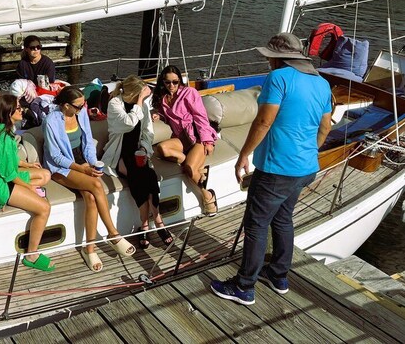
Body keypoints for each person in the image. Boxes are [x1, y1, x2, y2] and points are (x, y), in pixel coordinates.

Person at [211, 33, 332, 306]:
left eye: (269, 58)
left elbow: (264, 122)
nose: (267, 62)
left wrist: (243, 154)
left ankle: (244, 286)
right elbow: (326, 127)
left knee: (256, 224)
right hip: (306, 167)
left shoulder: (278, 79)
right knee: (283, 218)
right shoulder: (322, 84)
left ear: (278, 59)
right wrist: (309, 151)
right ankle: (278, 276)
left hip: (277, 168)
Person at [42, 87, 135, 271]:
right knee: (95, 184)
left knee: (91, 198)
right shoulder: (50, 121)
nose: (83, 107)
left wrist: (92, 163)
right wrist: (81, 168)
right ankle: (113, 234)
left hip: (81, 161)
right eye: (78, 106)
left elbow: (88, 142)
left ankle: (90, 249)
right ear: (66, 106)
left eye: (83, 103)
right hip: (61, 167)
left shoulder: (81, 113)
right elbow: (55, 156)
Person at [0, 95, 54, 271]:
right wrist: (30, 188)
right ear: (8, 112)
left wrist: (27, 164)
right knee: (44, 208)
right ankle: (31, 255)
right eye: (18, 108)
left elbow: (8, 160)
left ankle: (28, 190)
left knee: (45, 175)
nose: (21, 110)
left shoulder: (2, 129)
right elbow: (10, 176)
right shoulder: (3, 138)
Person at [102, 76, 173, 248]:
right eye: (139, 95)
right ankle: (157, 222)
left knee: (147, 175)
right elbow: (129, 123)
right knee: (140, 173)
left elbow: (147, 132)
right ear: (134, 95)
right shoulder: (115, 104)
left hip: (138, 152)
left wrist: (145, 149)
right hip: (119, 155)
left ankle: (147, 224)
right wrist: (140, 100)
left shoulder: (142, 106)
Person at [151, 65, 218, 216]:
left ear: (180, 81)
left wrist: (207, 141)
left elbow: (200, 117)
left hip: (197, 137)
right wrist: (159, 115)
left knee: (189, 169)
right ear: (163, 82)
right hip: (181, 138)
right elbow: (168, 116)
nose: (172, 86)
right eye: (168, 82)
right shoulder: (163, 98)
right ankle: (197, 168)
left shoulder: (189, 92)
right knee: (161, 149)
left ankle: (208, 196)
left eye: (175, 82)